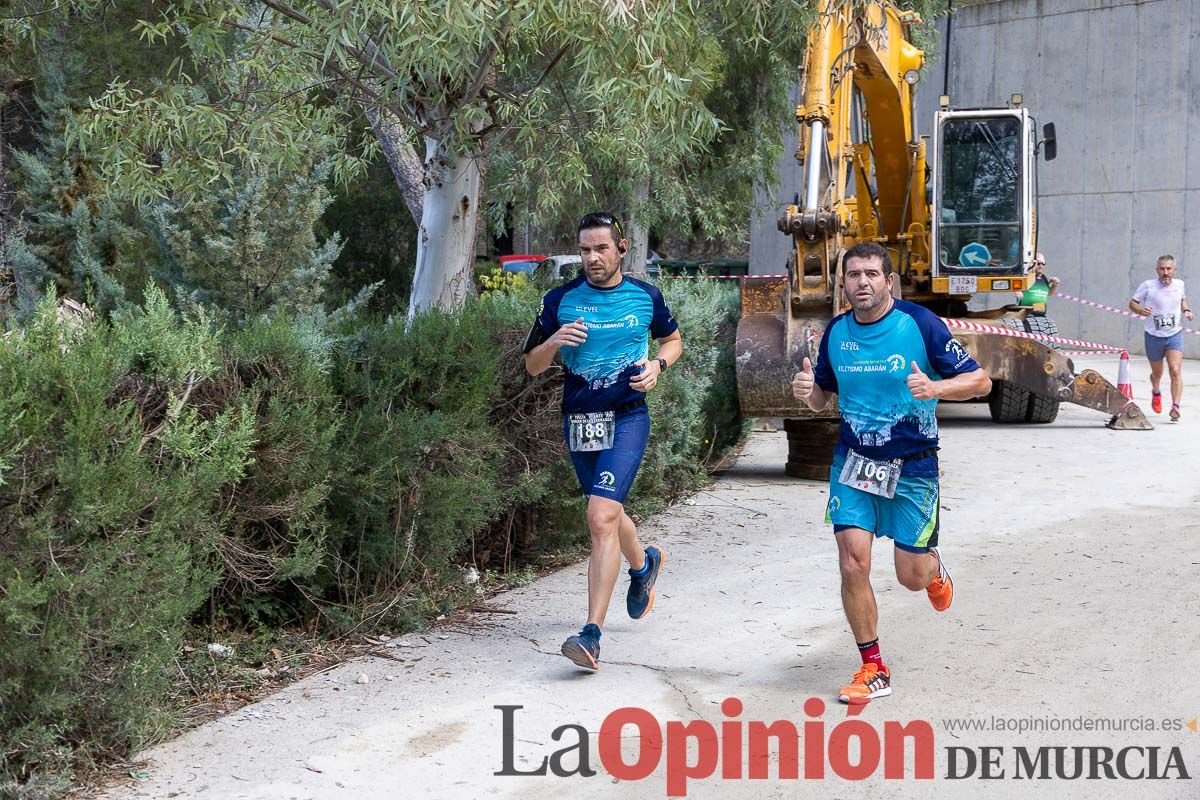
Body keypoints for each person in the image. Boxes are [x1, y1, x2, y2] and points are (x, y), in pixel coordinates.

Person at [791, 242, 992, 704]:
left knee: (911, 577)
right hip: (854, 465)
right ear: (843, 283)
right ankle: (872, 666)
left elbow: (980, 380)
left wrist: (937, 386)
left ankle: (934, 568)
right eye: (854, 275)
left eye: (871, 274)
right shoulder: (836, 333)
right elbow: (824, 397)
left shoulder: (920, 325)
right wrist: (808, 392)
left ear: (888, 281)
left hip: (913, 468)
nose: (862, 282)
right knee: (852, 561)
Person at [523, 211, 683, 671]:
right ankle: (644, 564)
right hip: (580, 420)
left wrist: (658, 365)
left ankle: (590, 634)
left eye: (601, 249)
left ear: (622, 249)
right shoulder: (560, 300)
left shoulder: (645, 296)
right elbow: (533, 366)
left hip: (628, 416)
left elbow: (673, 341)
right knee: (606, 513)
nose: (592, 258)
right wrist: (553, 341)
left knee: (598, 515)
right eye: (585, 250)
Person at [1129, 255, 1193, 421]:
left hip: (1174, 335)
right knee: (1157, 374)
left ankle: (1175, 407)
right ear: (1157, 270)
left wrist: (1186, 310)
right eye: (1162, 269)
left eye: (1168, 269)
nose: (1165, 272)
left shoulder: (1180, 284)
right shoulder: (1148, 286)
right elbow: (1132, 303)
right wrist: (1140, 310)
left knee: (1175, 370)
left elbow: (1182, 299)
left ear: (1174, 270)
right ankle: (1156, 391)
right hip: (1153, 336)